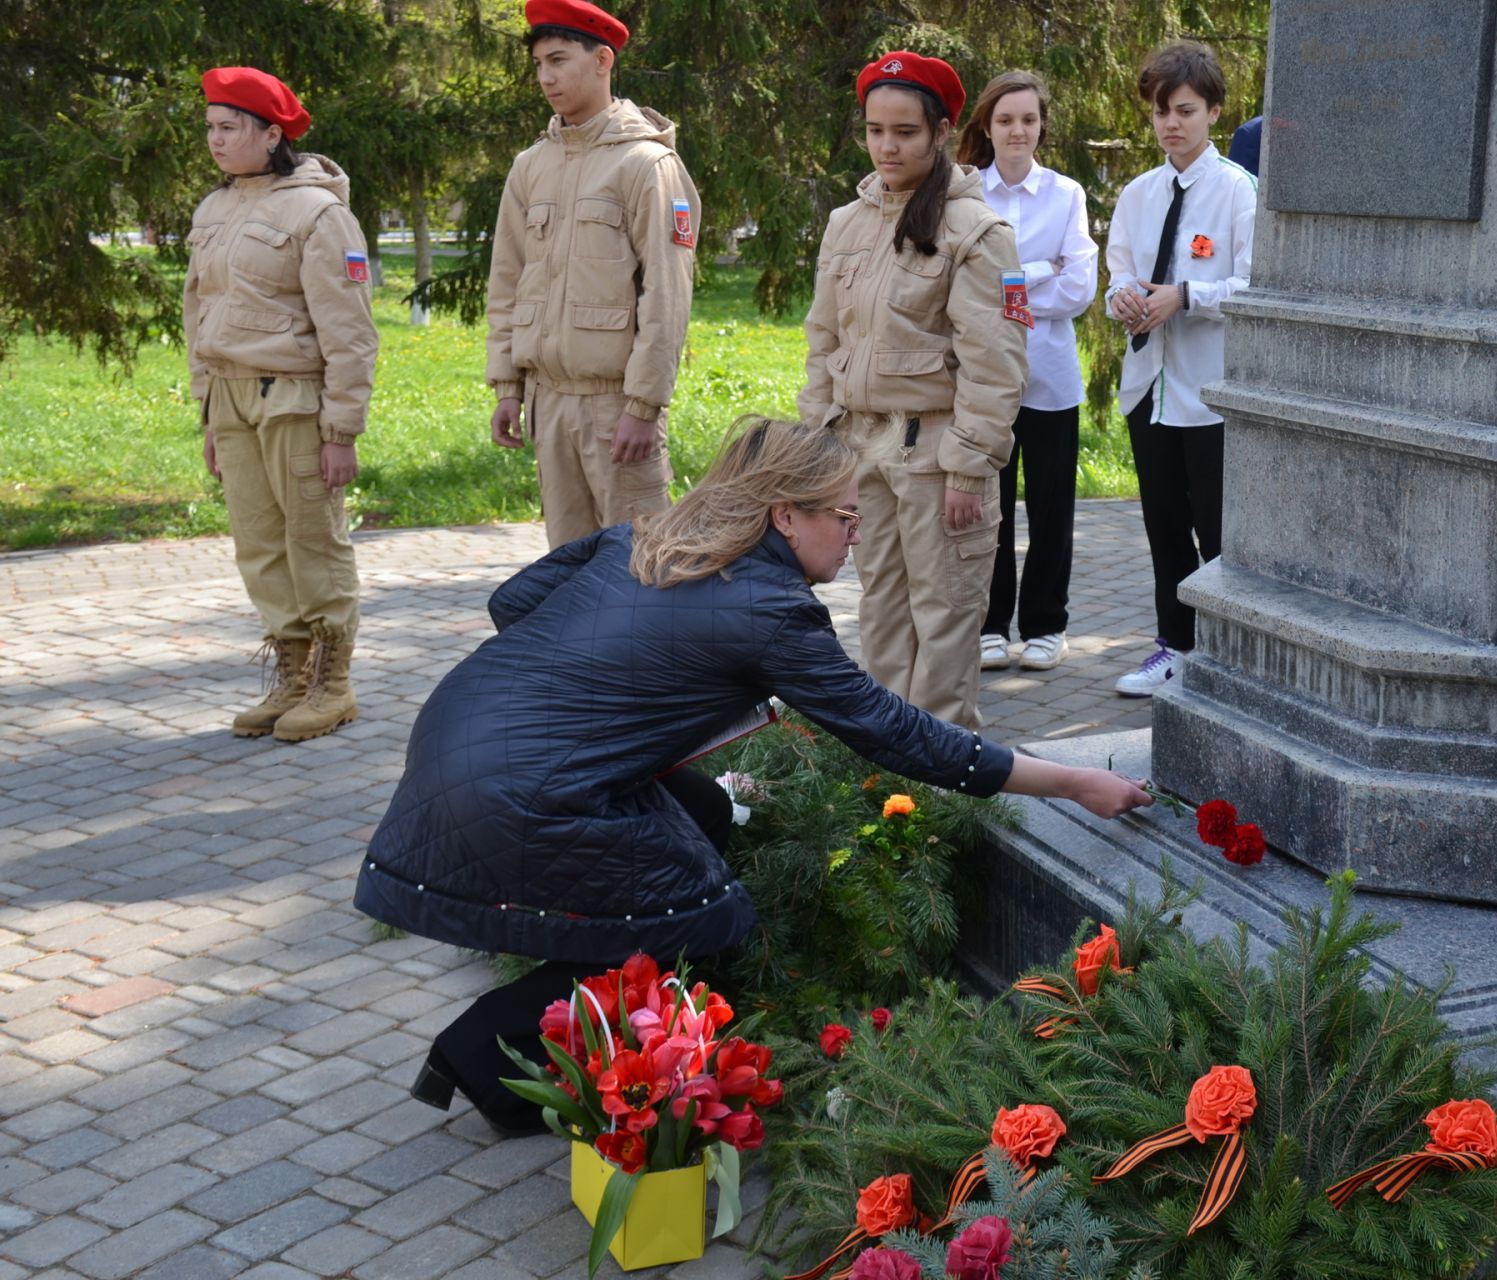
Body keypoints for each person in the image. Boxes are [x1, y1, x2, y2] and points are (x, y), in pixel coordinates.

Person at [355, 418, 1150, 1130]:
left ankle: (583, 993)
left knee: (699, 816)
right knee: (705, 916)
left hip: (455, 736)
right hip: (524, 793)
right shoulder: (772, 610)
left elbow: (510, 602)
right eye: (844, 516)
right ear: (784, 516)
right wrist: (1072, 780)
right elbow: (897, 736)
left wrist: (601, 698)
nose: (859, 535)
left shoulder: (640, 540)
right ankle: (485, 1051)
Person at [798, 51, 1029, 728]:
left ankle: (942, 786)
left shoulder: (977, 233)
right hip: (861, 450)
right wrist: (819, 444)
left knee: (946, 616)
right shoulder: (848, 222)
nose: (887, 146)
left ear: (940, 133)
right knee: (882, 609)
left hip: (938, 456)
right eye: (875, 130)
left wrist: (969, 465)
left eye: (904, 131)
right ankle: (888, 773)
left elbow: (996, 362)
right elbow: (822, 341)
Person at [186, 67, 378, 742]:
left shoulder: (318, 213)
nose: (215, 140)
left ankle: (334, 682)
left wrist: (342, 429)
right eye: (210, 127)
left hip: (294, 401)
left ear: (272, 134)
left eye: (229, 127)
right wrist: (209, 412)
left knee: (312, 542)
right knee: (259, 546)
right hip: (233, 398)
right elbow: (198, 315)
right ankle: (293, 675)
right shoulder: (212, 210)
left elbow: (349, 332)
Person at [485, 0, 701, 549]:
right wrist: (507, 386)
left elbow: (666, 295)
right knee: (568, 571)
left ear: (603, 59)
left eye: (558, 60)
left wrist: (643, 405)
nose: (546, 77)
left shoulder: (645, 164)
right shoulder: (530, 166)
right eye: (538, 64)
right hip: (548, 403)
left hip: (616, 406)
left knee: (642, 566)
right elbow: (507, 281)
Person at [1104, 42, 1256, 697]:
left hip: (1211, 392)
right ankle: (1173, 647)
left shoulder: (1239, 192)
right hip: (1151, 387)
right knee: (1164, 526)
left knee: (1218, 532)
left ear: (1214, 111)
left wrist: (1187, 296)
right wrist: (1127, 300)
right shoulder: (1139, 194)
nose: (1172, 123)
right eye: (1161, 111)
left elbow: (1255, 286)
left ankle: (1228, 657)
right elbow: (1116, 275)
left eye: (1186, 111)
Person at [955, 71, 1098, 674]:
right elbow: (960, 286)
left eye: (1029, 120)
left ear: (1042, 126)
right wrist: (1041, 271)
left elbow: (1081, 287)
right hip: (983, 378)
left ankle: (1046, 624)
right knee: (992, 506)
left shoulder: (1065, 195)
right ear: (987, 126)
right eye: (1006, 119)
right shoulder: (966, 197)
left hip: (1050, 377)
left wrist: (1012, 286)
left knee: (1050, 506)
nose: (1018, 130)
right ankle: (990, 623)